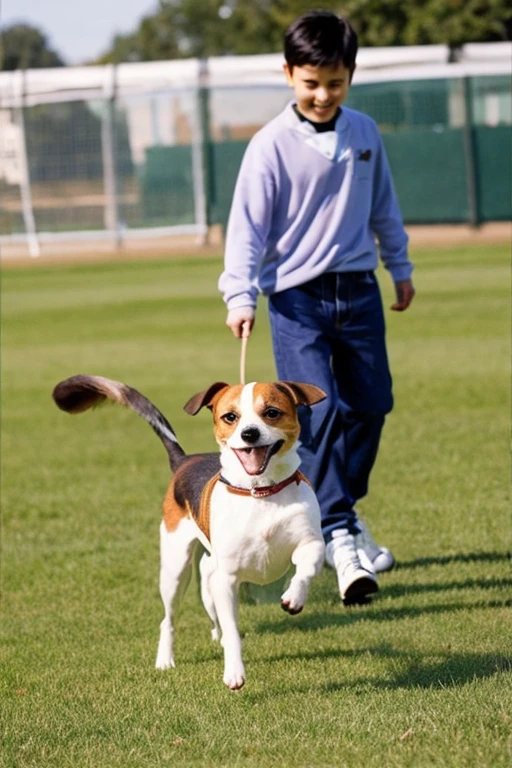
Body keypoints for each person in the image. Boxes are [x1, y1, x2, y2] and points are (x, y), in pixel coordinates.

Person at [218, 10, 415, 606]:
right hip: (297, 299)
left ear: (350, 76)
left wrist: (399, 267)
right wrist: (239, 292)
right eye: (311, 82)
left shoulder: (365, 133)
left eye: (335, 82)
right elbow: (247, 227)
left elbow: (384, 207)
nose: (323, 94)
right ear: (288, 75)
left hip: (358, 292)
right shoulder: (269, 145)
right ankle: (336, 530)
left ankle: (341, 510)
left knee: (373, 405)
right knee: (319, 415)